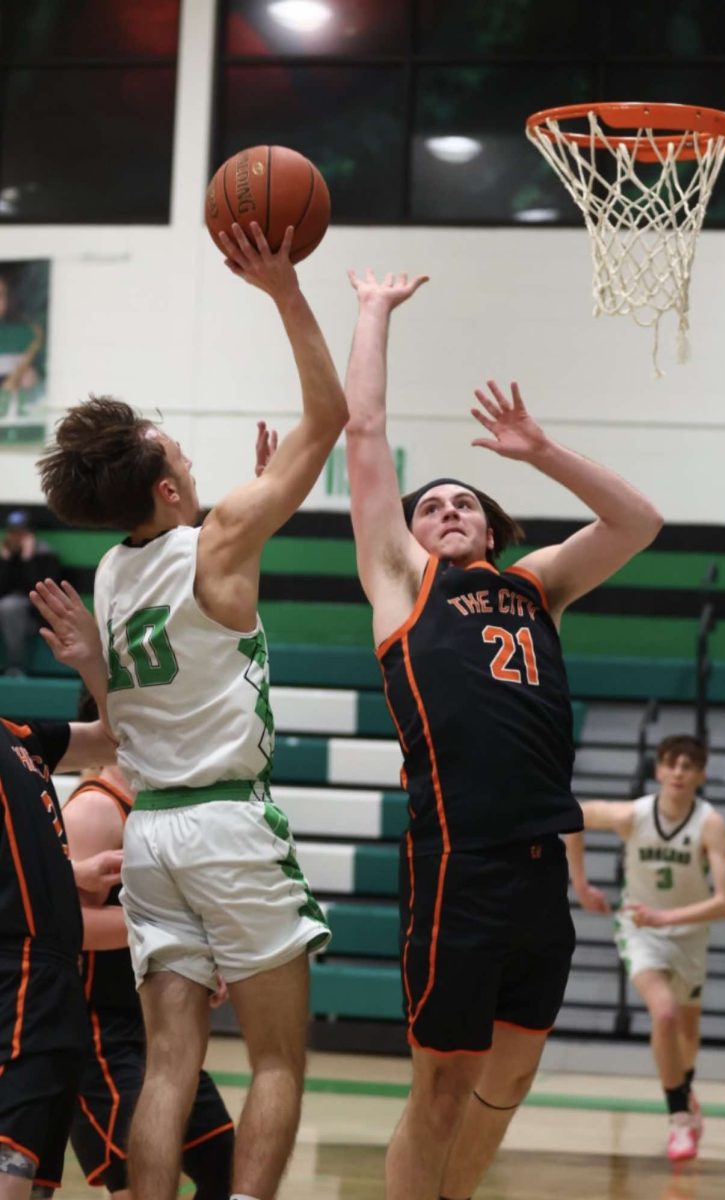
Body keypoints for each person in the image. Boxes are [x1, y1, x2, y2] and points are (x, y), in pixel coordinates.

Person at [32, 222, 347, 1200]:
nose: (178, 437)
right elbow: (328, 416)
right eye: (172, 439)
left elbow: (132, 706)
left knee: (168, 1064)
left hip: (153, 833)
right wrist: (283, 288)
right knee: (278, 1062)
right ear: (168, 484)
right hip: (226, 823)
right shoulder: (213, 542)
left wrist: (242, 499)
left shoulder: (115, 568)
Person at [342, 268, 664, 1200]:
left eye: (465, 502)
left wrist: (541, 449)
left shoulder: (537, 584)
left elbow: (638, 521)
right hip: (460, 862)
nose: (448, 510)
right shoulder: (403, 585)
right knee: (441, 1083)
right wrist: (373, 311)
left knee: (509, 1082)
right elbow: (365, 436)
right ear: (407, 534)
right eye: (430, 505)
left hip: (539, 867)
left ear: (491, 526)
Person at [63, 690, 235, 1200]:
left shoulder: (163, 804)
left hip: (158, 1028)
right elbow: (67, 925)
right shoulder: (96, 808)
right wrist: (173, 933)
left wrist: (203, 958)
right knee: (141, 1182)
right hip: (100, 1034)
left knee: (224, 1163)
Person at [566, 734, 725, 1164]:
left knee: (687, 1034)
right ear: (658, 770)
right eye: (671, 763)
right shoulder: (633, 815)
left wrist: (668, 918)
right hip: (639, 928)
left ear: (700, 774)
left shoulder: (709, 823)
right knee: (662, 1012)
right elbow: (571, 816)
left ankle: (683, 1088)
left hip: (689, 931)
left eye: (688, 765)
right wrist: (581, 884)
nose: (678, 772)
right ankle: (679, 1117)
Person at [0, 712, 119, 1200]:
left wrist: (91, 656)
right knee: (12, 1159)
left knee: (36, 1178)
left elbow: (113, 738)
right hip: (19, 971)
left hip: (54, 976)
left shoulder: (22, 736)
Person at [0, 510, 61, 676]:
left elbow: (40, 592)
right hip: (8, 615)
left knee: (9, 606)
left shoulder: (45, 555)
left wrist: (28, 559)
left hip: (35, 615)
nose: (16, 537)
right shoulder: (5, 555)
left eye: (21, 532)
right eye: (12, 532)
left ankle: (16, 665)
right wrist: (5, 562)